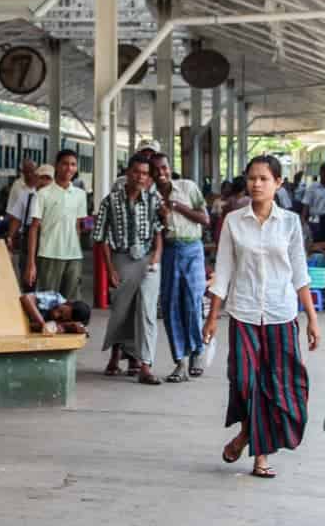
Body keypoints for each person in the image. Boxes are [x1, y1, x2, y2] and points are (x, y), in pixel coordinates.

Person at [203, 155, 320, 480]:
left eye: (264, 179)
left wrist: (311, 318)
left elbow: (299, 273)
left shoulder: (290, 223)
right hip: (243, 312)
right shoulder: (233, 221)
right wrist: (212, 317)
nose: (256, 184)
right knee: (244, 382)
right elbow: (223, 271)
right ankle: (247, 436)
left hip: (281, 314)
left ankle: (256, 451)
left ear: (278, 184)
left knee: (276, 385)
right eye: (252, 178)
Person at [93, 155, 163, 385]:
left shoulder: (153, 200)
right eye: (136, 172)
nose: (140, 177)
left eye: (144, 173)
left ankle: (145, 364)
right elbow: (100, 237)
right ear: (127, 173)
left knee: (147, 312)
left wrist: (156, 257)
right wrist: (110, 268)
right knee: (121, 310)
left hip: (147, 259)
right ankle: (116, 354)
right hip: (122, 258)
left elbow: (159, 232)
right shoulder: (110, 201)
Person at [152, 153, 208, 381]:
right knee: (170, 305)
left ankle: (197, 351)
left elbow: (205, 219)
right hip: (170, 251)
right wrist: (163, 217)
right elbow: (157, 233)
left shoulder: (187, 187)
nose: (161, 173)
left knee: (192, 302)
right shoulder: (151, 197)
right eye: (155, 170)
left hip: (193, 249)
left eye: (163, 168)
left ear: (169, 167)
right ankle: (180, 361)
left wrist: (176, 206)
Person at [26, 149, 89, 301]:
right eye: (65, 164)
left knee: (71, 305)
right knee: (46, 302)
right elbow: (34, 228)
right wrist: (31, 262)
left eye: (73, 164)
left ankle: (65, 326)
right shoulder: (43, 194)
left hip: (74, 257)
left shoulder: (80, 195)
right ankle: (47, 326)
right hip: (48, 255)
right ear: (57, 166)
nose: (69, 168)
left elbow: (79, 226)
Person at [5, 163, 50, 286]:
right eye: (42, 177)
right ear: (37, 178)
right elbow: (16, 218)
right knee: (28, 280)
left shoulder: (58, 198)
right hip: (27, 240)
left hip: (49, 241)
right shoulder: (27, 196)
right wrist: (10, 237)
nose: (44, 181)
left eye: (48, 178)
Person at [20, 290, 91, 335]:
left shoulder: (60, 325)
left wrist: (64, 327)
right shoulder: (55, 298)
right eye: (61, 311)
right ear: (68, 303)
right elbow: (26, 298)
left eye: (61, 318)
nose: (56, 315)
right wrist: (43, 324)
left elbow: (30, 327)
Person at [3, 158, 38, 229]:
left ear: (36, 171)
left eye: (31, 171)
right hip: (20, 228)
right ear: (22, 172)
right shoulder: (17, 186)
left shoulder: (41, 185)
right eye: (26, 172)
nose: (29, 174)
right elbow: (10, 209)